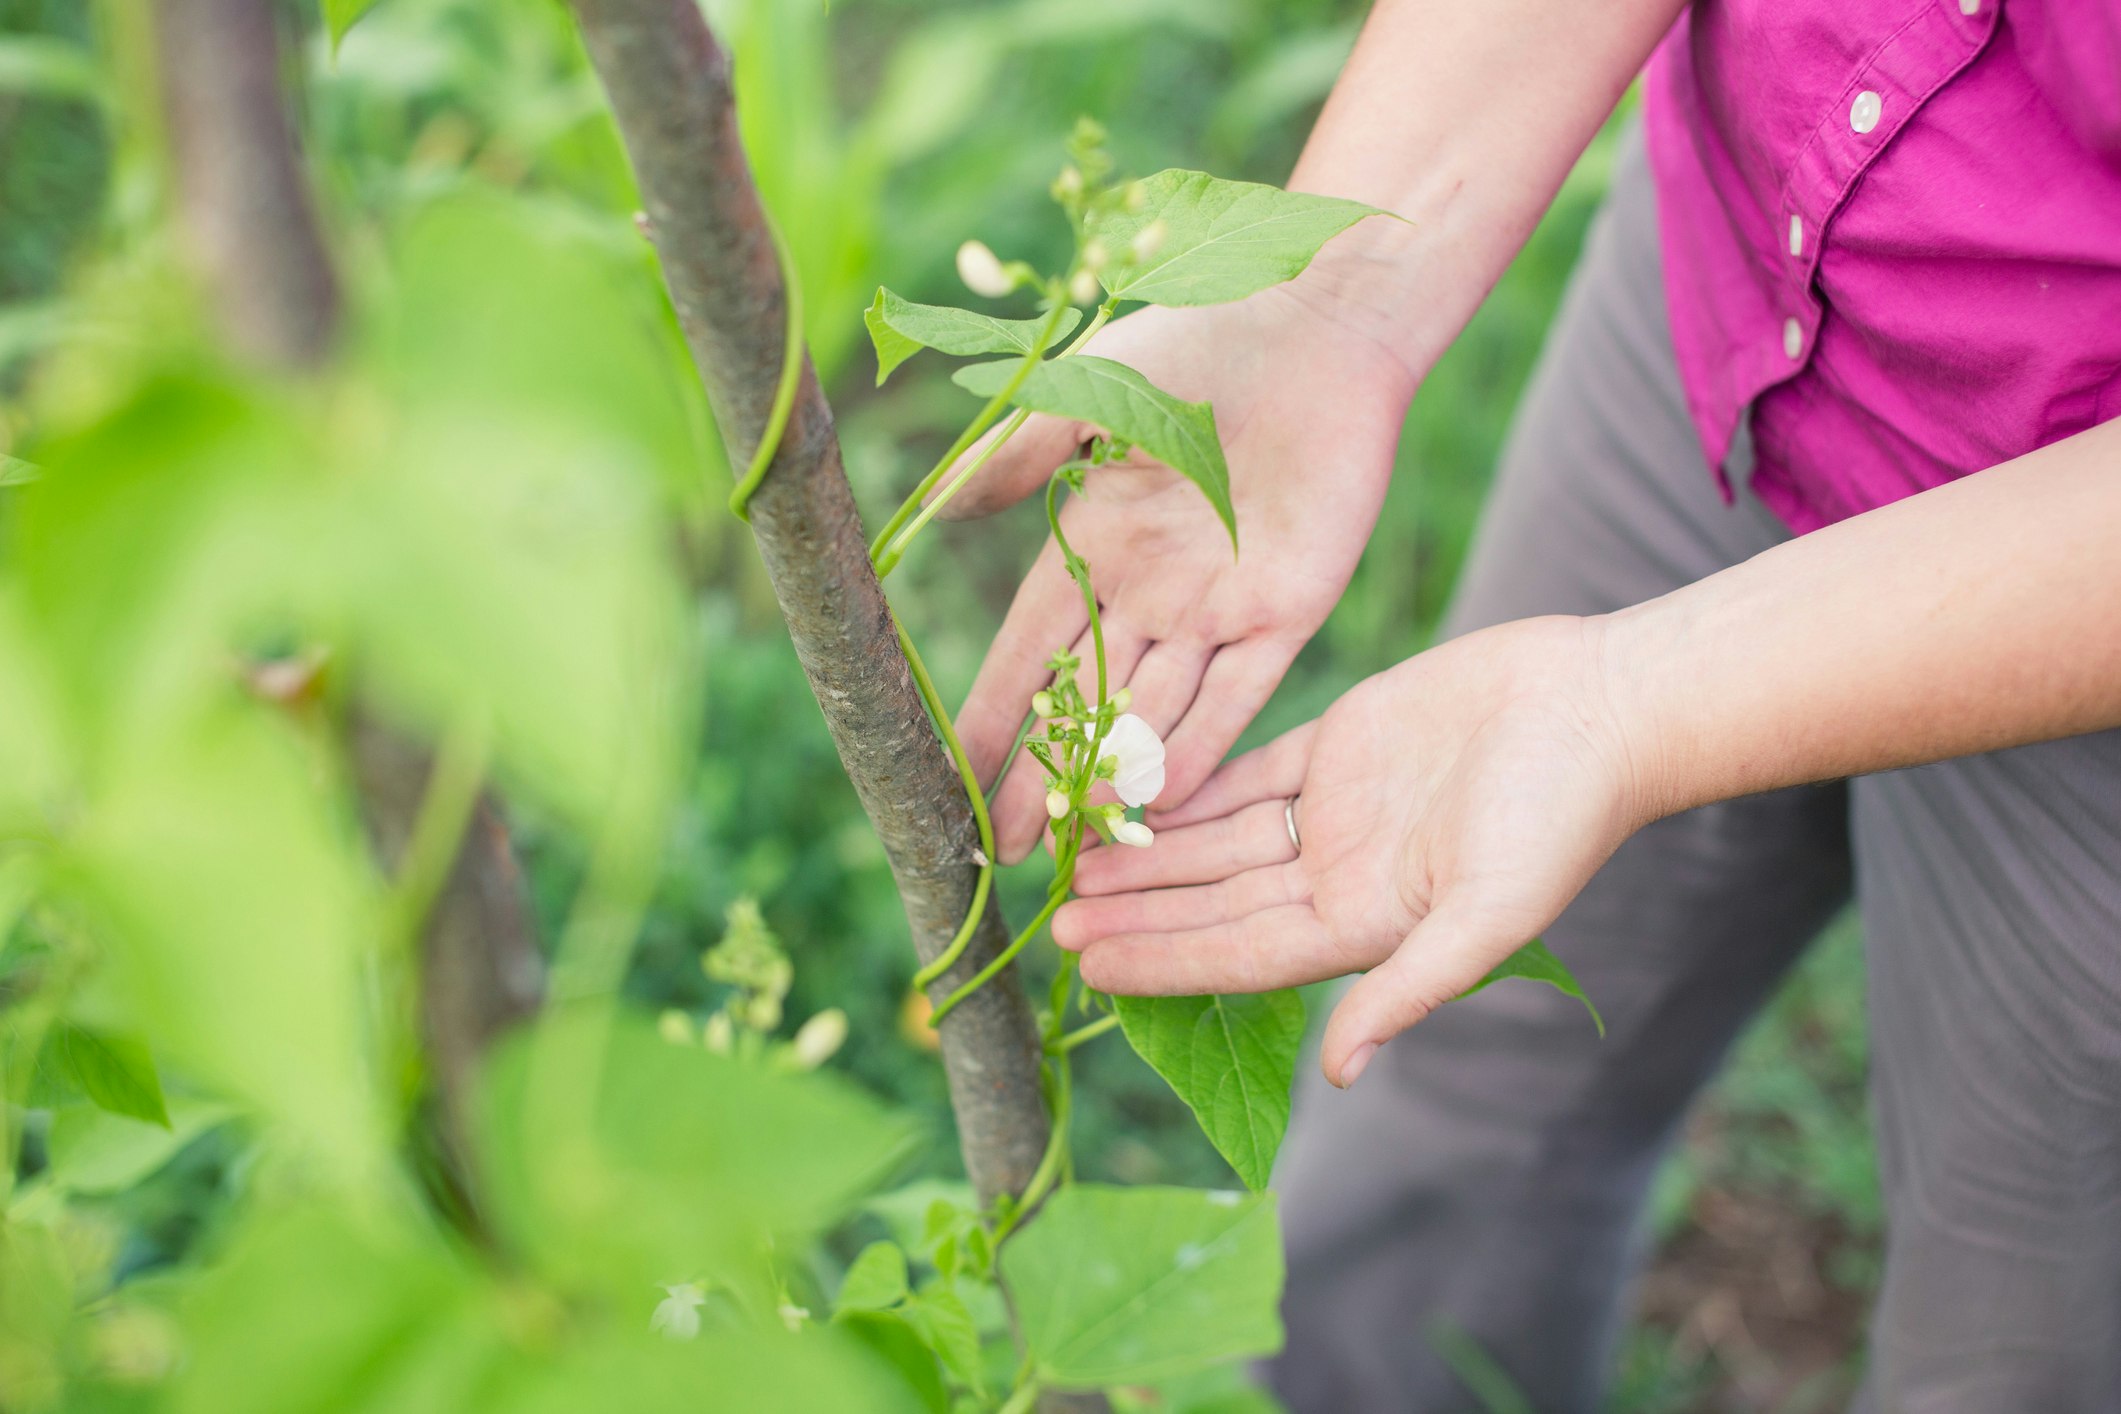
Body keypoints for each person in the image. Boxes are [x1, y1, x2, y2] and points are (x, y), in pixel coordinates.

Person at [941, 0, 2121, 1407]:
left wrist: (1625, 704)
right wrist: (1325, 300)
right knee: (1458, 1080)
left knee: (2017, 1334)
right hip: (1752, 278)